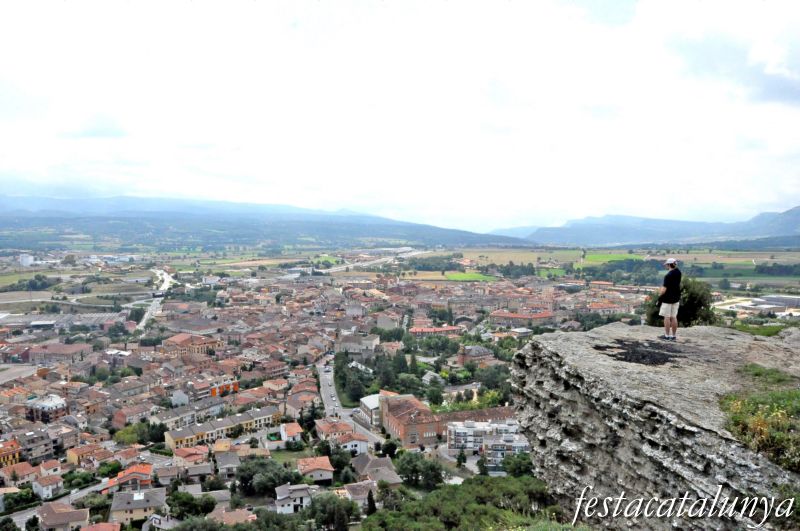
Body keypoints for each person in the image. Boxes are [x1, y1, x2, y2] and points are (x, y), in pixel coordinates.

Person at [658, 258, 681, 340]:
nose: (666, 266)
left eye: (666, 265)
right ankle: (674, 335)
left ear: (669, 265)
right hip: (676, 297)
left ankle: (667, 335)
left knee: (667, 317)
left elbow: (664, 289)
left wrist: (659, 295)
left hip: (667, 299)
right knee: (674, 317)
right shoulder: (678, 272)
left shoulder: (668, 275)